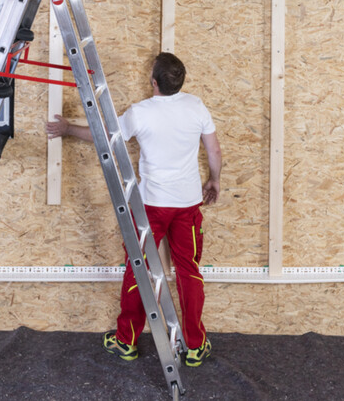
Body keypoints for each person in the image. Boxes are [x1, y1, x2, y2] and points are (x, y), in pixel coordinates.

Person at [45, 52, 222, 367]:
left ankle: (125, 340)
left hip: (151, 206)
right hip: (188, 205)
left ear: (153, 82)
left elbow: (105, 139)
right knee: (189, 271)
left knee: (138, 269)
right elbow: (213, 148)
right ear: (180, 82)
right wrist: (215, 181)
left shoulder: (140, 113)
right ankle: (195, 346)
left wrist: (69, 128)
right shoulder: (196, 106)